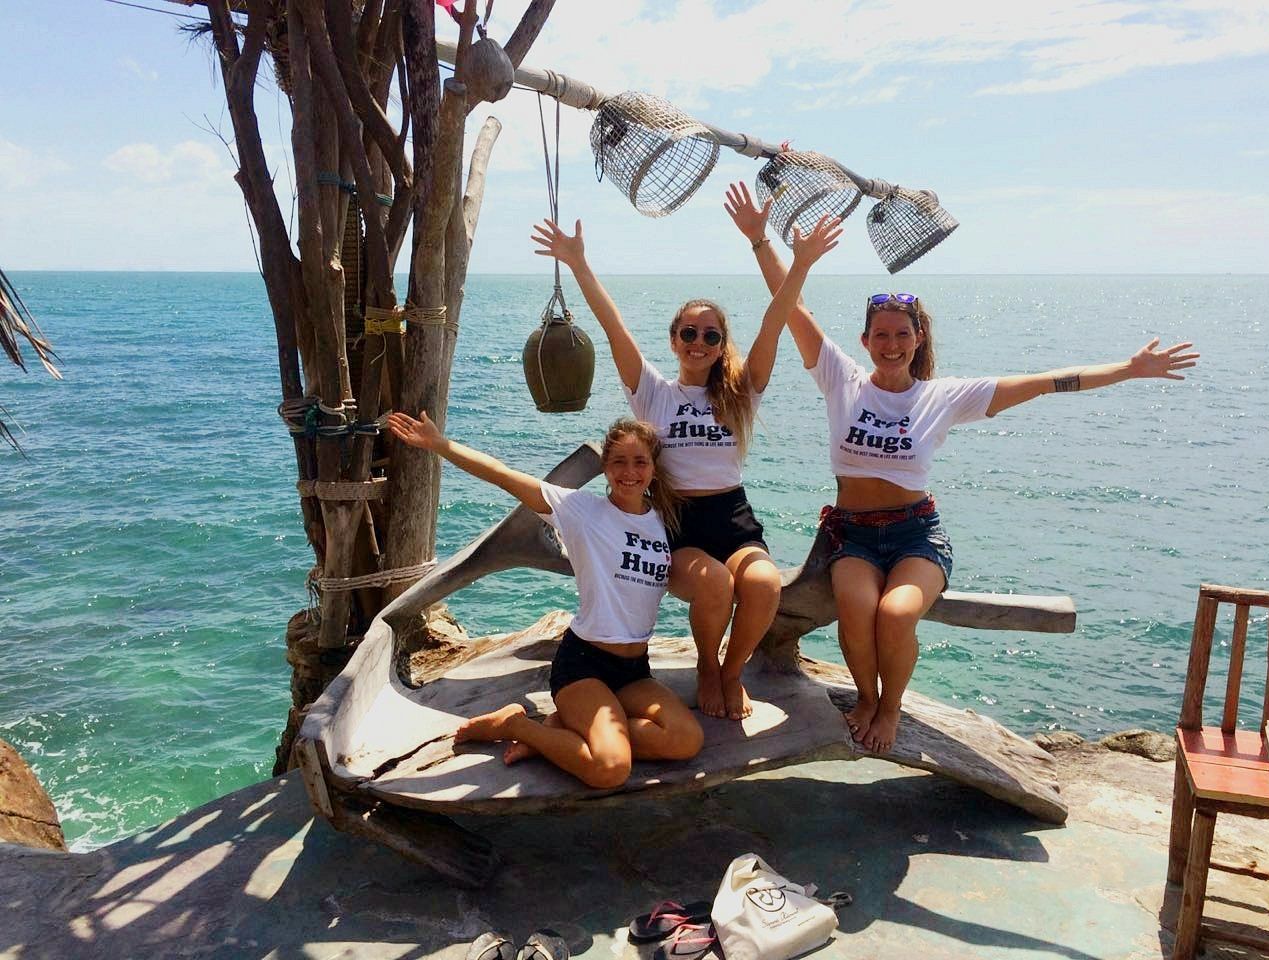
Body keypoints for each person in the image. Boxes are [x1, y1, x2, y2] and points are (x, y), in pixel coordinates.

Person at [726, 182, 1198, 754]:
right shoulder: (841, 378)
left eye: (902, 334)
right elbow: (790, 304)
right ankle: (866, 698)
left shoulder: (945, 396)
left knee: (896, 615)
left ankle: (889, 707)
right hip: (850, 535)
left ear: (917, 338)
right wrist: (758, 239)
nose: (891, 344)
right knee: (855, 611)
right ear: (865, 340)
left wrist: (1127, 368)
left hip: (915, 534)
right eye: (881, 335)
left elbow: (1049, 382)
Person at [532, 218, 783, 721]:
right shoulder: (653, 392)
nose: (699, 342)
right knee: (714, 584)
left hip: (731, 516)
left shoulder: (739, 395)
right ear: (674, 340)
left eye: (710, 335)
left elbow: (776, 321)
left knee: (763, 585)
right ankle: (706, 667)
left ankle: (732, 671)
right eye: (689, 332)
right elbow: (613, 326)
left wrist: (791, 260)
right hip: (678, 520)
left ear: (720, 344)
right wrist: (578, 262)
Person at [386, 412, 704, 789]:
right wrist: (440, 445)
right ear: (604, 467)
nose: (629, 472)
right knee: (610, 769)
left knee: (687, 740)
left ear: (653, 467)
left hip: (634, 671)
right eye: (619, 461)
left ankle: (562, 738)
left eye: (640, 461)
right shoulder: (581, 511)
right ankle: (517, 725)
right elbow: (502, 474)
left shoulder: (664, 520)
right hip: (584, 666)